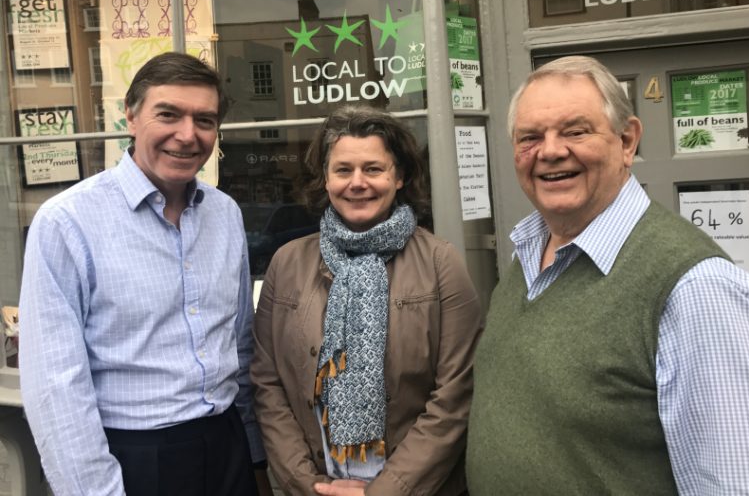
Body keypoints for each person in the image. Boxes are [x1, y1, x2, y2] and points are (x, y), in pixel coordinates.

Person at [466, 55, 749, 494]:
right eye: (530, 137)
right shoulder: (527, 256)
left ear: (627, 141)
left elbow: (739, 484)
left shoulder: (697, 287)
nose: (550, 151)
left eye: (575, 131)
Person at [19, 52, 271, 495]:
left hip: (227, 445)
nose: (188, 135)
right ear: (131, 117)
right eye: (168, 114)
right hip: (133, 459)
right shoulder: (67, 222)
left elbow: (240, 341)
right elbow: (56, 387)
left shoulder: (225, 214)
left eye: (205, 120)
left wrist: (254, 452)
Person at [251, 104, 483, 496]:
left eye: (373, 169)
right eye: (343, 170)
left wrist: (387, 490)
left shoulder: (440, 262)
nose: (357, 182)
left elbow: (456, 394)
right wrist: (307, 483)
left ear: (399, 177)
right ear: (325, 179)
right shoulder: (287, 262)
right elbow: (267, 383)